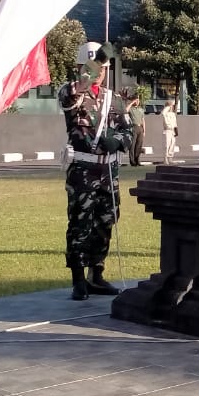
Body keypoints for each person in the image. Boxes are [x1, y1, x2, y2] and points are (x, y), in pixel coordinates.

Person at [59, 45, 135, 300]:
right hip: (83, 168)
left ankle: (96, 274)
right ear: (81, 67)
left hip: (108, 169)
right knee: (80, 222)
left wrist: (118, 141)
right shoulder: (72, 93)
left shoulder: (112, 98)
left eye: (102, 69)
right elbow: (74, 93)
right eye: (93, 68)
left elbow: (128, 129)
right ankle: (78, 279)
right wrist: (89, 73)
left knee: (106, 220)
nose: (99, 74)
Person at [124, 89, 146, 166]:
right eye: (136, 100)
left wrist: (144, 130)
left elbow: (143, 120)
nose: (137, 102)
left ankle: (137, 160)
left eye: (138, 100)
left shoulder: (141, 109)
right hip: (133, 127)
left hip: (140, 128)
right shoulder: (131, 109)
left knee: (139, 145)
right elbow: (126, 110)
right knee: (132, 145)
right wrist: (132, 103)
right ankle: (132, 161)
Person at [162, 97, 179, 164]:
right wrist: (168, 107)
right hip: (167, 130)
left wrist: (176, 130)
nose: (172, 107)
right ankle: (165, 158)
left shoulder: (173, 114)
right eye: (171, 105)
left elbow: (175, 123)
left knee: (172, 144)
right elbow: (163, 113)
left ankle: (170, 158)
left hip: (172, 130)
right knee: (167, 145)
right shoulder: (165, 114)